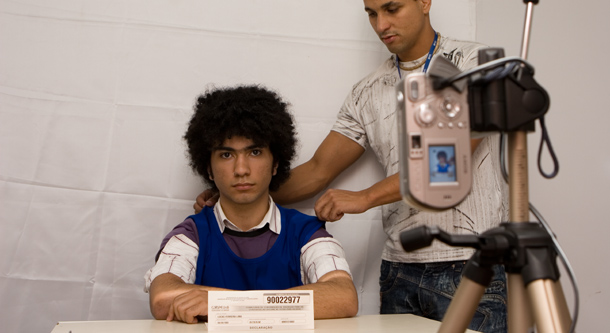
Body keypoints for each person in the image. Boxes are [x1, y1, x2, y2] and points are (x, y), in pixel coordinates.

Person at [196, 1, 508, 332]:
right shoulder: (366, 92)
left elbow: (446, 157)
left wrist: (364, 197)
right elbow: (318, 170)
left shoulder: (477, 64)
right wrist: (233, 191)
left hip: (472, 266)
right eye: (372, 13)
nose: (381, 24)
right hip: (399, 271)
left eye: (392, 8)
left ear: (425, 1)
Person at [145, 85, 358, 324]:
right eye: (226, 155)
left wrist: (225, 305)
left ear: (275, 164)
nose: (241, 170)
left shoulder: (305, 232)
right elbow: (162, 298)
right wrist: (269, 306)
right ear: (209, 169)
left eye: (255, 152)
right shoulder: (191, 234)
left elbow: (343, 296)